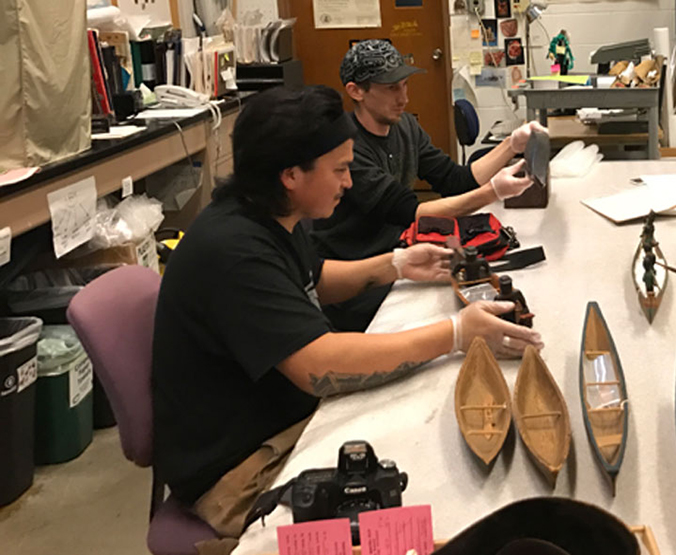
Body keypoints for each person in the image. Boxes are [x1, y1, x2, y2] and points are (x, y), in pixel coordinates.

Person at [152, 86, 542, 550]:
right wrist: (456, 333)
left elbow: (313, 276)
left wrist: (392, 265)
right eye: (339, 170)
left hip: (280, 419)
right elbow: (320, 367)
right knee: (431, 511)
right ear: (292, 175)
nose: (349, 182)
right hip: (240, 467)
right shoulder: (234, 249)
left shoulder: (269, 214)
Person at [312, 39, 547, 332]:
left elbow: (454, 180)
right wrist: (492, 192)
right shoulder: (349, 148)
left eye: (405, 85)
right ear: (356, 91)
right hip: (357, 277)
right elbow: (410, 212)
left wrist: (512, 145)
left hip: (400, 257)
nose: (403, 98)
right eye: (391, 88)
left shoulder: (406, 127)